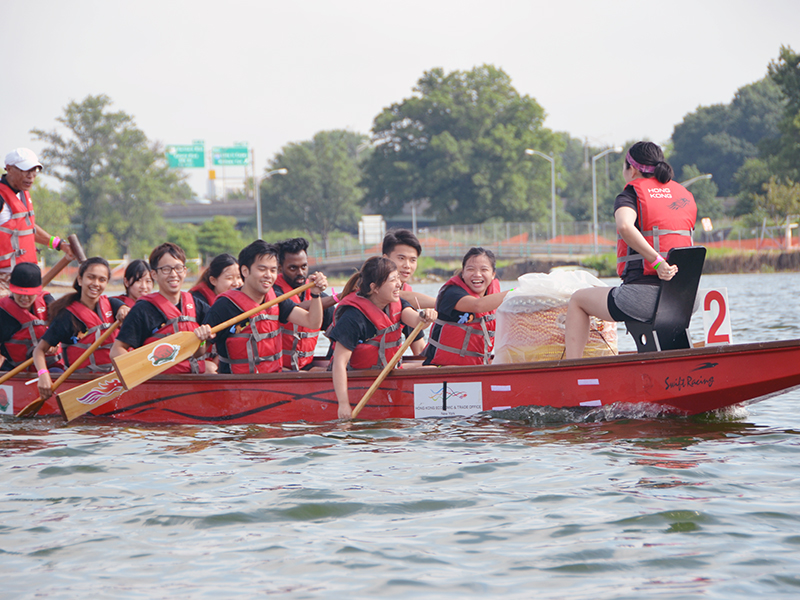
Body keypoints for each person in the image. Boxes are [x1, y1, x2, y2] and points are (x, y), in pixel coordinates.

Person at [564, 141, 697, 359]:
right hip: (685, 299)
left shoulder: (630, 196)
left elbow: (625, 226)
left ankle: (573, 370)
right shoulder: (683, 196)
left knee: (578, 300)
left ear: (632, 169)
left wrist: (656, 262)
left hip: (643, 298)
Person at [327, 256, 437, 419]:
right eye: (393, 280)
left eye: (398, 279)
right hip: (357, 376)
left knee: (433, 369)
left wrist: (426, 316)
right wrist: (343, 404)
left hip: (386, 371)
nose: (399, 284)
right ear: (374, 288)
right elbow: (339, 363)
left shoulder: (398, 303)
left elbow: (415, 320)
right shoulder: (353, 317)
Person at [203, 240, 328, 374]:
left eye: (273, 270)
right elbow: (200, 350)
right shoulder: (224, 306)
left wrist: (315, 295)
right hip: (237, 383)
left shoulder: (277, 300)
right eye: (262, 269)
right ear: (245, 271)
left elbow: (313, 322)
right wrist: (201, 340)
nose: (268, 275)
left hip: (273, 379)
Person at [33, 257, 130, 399]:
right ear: (80, 280)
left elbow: (124, 308)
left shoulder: (113, 304)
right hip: (82, 383)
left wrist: (124, 309)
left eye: (102, 280)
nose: (96, 283)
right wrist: (43, 375)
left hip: (114, 380)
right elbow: (39, 350)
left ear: (106, 283)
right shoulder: (66, 317)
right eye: (91, 277)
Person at [110, 243, 214, 374]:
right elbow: (116, 350)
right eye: (166, 269)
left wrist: (202, 341)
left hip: (190, 381)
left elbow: (199, 352)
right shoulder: (142, 310)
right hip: (158, 383)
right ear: (154, 274)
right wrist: (142, 370)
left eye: (178, 268)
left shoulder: (197, 305)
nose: (173, 274)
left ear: (185, 271)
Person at [0, 148, 75, 298]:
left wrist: (58, 244)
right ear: (8, 169)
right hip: (4, 278)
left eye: (34, 171)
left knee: (48, 309)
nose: (31, 176)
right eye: (25, 170)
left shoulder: (22, 193)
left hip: (27, 275)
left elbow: (26, 228)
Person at [423, 247, 509, 366]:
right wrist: (518, 290)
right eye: (470, 269)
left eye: (484, 269)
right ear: (462, 273)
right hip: (441, 367)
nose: (477, 274)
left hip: (476, 367)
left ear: (493, 274)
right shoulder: (451, 293)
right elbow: (477, 305)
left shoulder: (493, 297)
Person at [274, 237, 335, 370]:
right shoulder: (273, 293)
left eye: (304, 266)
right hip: (277, 370)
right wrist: (336, 297)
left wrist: (333, 361)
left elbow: (339, 333)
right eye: (293, 268)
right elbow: (292, 308)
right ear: (280, 268)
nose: (300, 273)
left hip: (306, 368)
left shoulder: (316, 295)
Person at [0, 263, 62, 372]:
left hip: (50, 367)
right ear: (11, 289)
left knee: (57, 373)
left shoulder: (48, 302)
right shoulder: (3, 312)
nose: (25, 298)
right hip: (15, 369)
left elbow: (64, 327)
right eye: (20, 293)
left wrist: (55, 341)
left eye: (30, 294)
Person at [382, 229, 434, 355]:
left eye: (412, 260)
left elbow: (420, 350)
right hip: (353, 367)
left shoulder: (404, 305)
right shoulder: (372, 286)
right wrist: (443, 304)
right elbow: (401, 296)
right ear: (385, 259)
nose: (407, 265)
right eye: (401, 258)